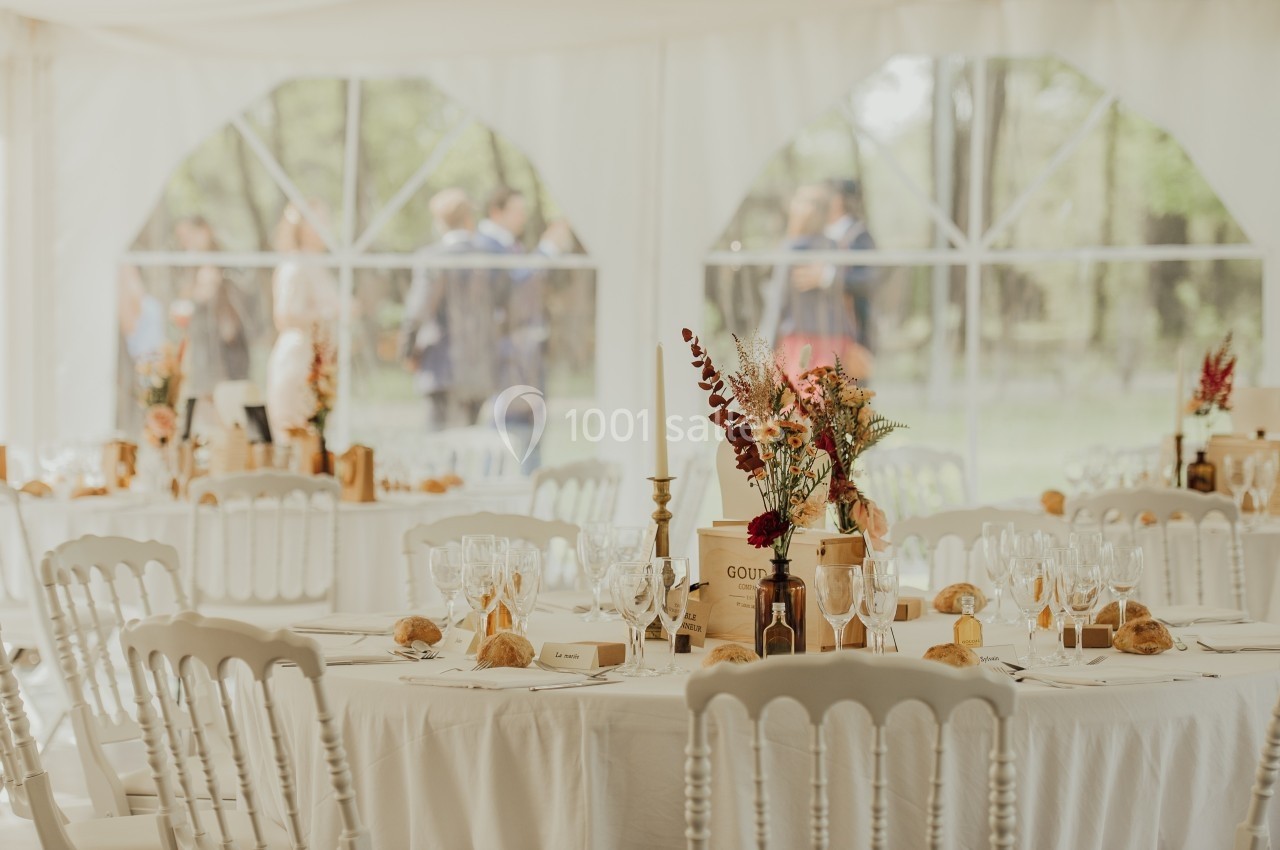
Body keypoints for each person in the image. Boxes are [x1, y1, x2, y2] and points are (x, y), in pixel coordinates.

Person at [400, 189, 495, 428]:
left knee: (440, 449)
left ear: (439, 222)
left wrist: (407, 351)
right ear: (468, 219)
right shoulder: (489, 260)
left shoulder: (431, 258)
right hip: (478, 367)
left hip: (441, 366)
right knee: (465, 447)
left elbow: (418, 310)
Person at [266, 202, 340, 438]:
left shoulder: (319, 265)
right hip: (298, 359)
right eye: (316, 221)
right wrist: (328, 313)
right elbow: (285, 315)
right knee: (296, 430)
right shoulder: (294, 265)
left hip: (320, 359)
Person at [172, 217, 252, 434]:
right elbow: (181, 309)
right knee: (203, 407)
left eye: (189, 235)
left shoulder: (227, 264)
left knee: (229, 410)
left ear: (205, 231)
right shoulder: (186, 268)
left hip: (230, 353)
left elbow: (244, 304)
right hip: (202, 352)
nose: (186, 242)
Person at [823, 178, 878, 354]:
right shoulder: (819, 234)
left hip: (853, 333)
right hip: (822, 332)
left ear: (838, 200)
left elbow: (868, 280)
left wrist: (826, 278)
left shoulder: (859, 236)